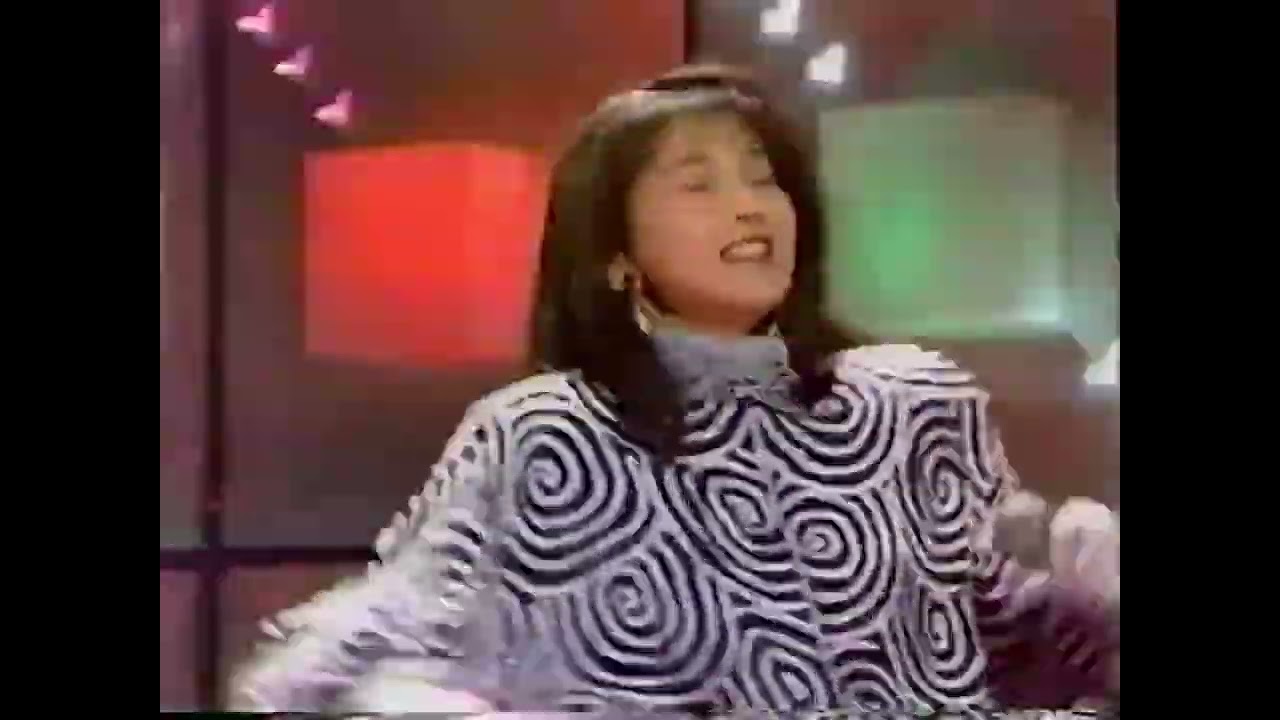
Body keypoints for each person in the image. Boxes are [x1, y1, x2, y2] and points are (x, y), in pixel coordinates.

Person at [231, 65, 1120, 715]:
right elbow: (381, 647)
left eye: (764, 179)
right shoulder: (550, 433)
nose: (750, 205)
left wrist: (1092, 597)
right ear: (616, 255)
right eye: (700, 184)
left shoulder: (910, 400)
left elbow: (1002, 626)